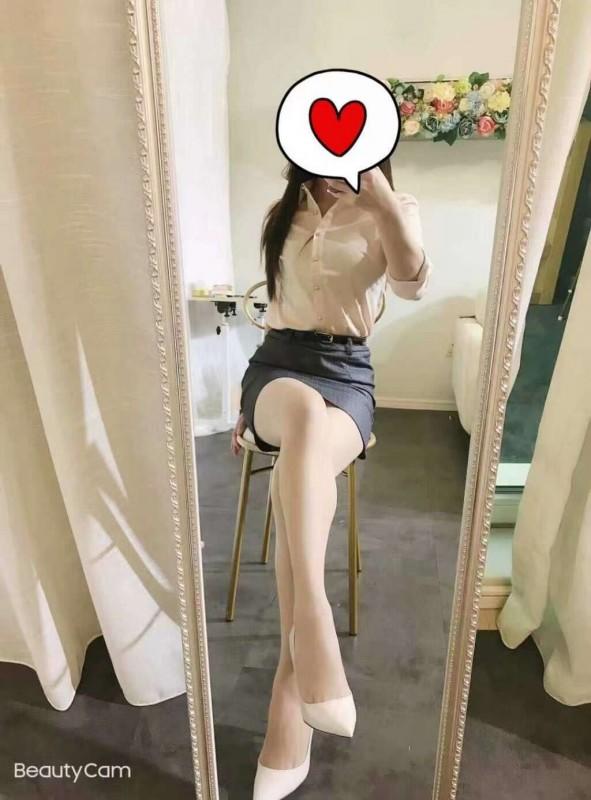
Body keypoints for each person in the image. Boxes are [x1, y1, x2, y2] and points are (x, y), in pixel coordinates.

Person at [230, 161, 432, 800]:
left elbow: (411, 284)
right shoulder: (283, 211)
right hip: (277, 368)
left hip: (347, 375)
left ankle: (291, 684)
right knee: (301, 419)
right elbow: (276, 308)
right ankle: (313, 621)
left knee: (307, 448)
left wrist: (384, 203)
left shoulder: (393, 207)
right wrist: (244, 405)